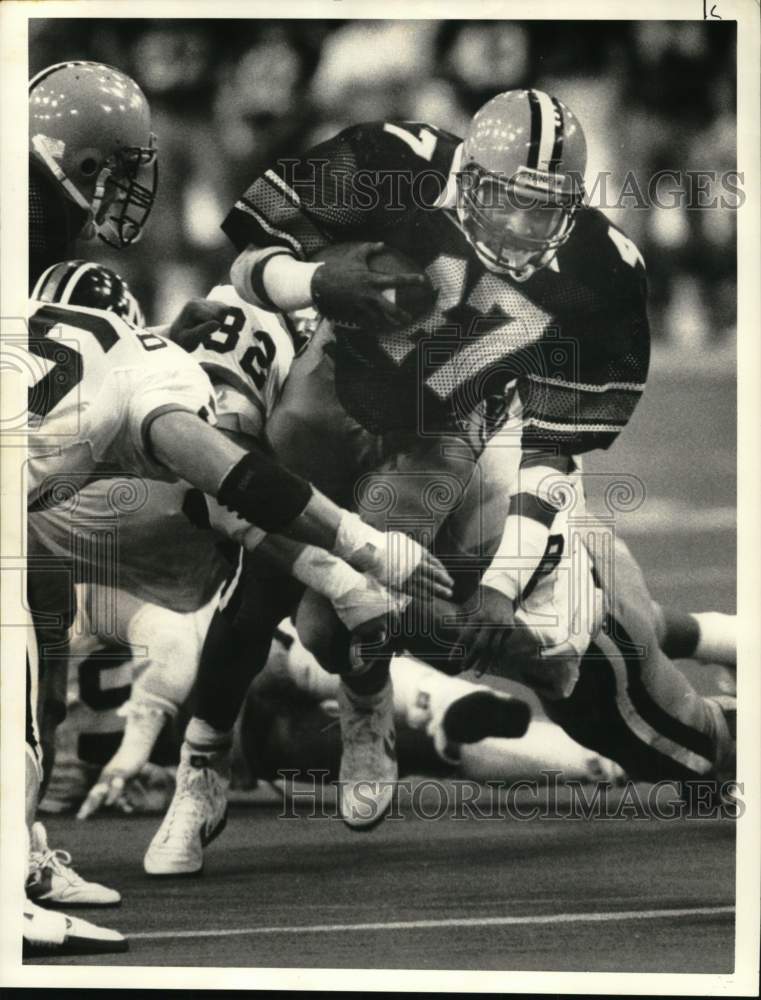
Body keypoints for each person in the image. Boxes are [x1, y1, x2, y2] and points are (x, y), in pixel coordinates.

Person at [213, 87, 652, 827]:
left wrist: (502, 589)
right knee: (251, 570)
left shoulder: (599, 267)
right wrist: (315, 281)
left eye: (539, 205)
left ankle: (372, 707)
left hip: (442, 423)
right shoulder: (392, 163)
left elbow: (550, 449)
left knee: (331, 626)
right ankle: (213, 754)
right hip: (325, 380)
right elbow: (249, 257)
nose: (516, 222)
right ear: (466, 175)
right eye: (502, 197)